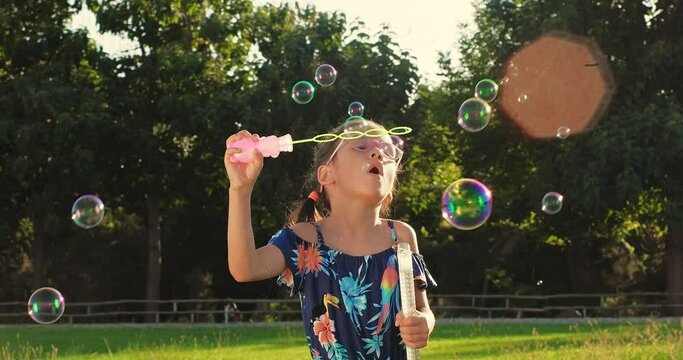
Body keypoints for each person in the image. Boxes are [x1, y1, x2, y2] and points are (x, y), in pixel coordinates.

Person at [225, 119, 437, 359]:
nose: (378, 153)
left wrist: (424, 324)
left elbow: (422, 308)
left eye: (388, 152)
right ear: (327, 174)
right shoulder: (304, 241)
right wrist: (240, 189)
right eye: (361, 147)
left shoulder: (401, 236)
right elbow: (245, 268)